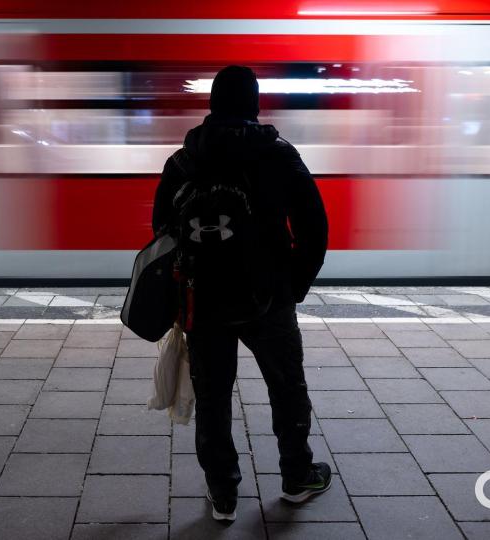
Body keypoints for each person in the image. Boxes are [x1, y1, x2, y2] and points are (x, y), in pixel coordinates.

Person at [151, 65, 331, 522]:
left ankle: (223, 493)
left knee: (212, 396)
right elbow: (315, 225)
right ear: (254, 103)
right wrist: (294, 285)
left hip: (204, 299)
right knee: (286, 386)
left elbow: (161, 231)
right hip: (269, 295)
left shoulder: (183, 160)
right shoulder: (278, 154)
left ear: (212, 104)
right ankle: (296, 477)